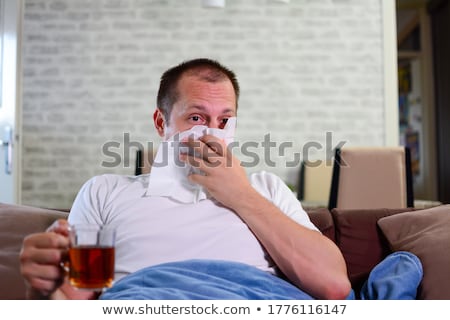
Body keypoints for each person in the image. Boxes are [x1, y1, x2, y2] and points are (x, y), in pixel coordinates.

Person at [19, 58, 353, 300]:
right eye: (196, 117)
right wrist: (42, 289)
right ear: (161, 123)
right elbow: (73, 299)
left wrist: (239, 194)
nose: (212, 131)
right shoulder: (104, 192)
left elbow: (334, 287)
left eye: (225, 120)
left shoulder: (267, 189)